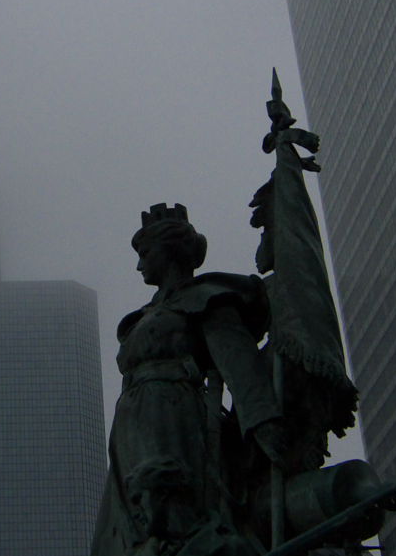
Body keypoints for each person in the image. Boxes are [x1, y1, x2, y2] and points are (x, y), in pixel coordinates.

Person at [92, 203, 286, 556]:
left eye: (145, 253)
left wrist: (263, 422)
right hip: (130, 424)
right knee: (121, 529)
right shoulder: (148, 313)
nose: (138, 265)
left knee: (173, 508)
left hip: (174, 415)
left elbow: (240, 365)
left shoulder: (207, 298)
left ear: (168, 252)